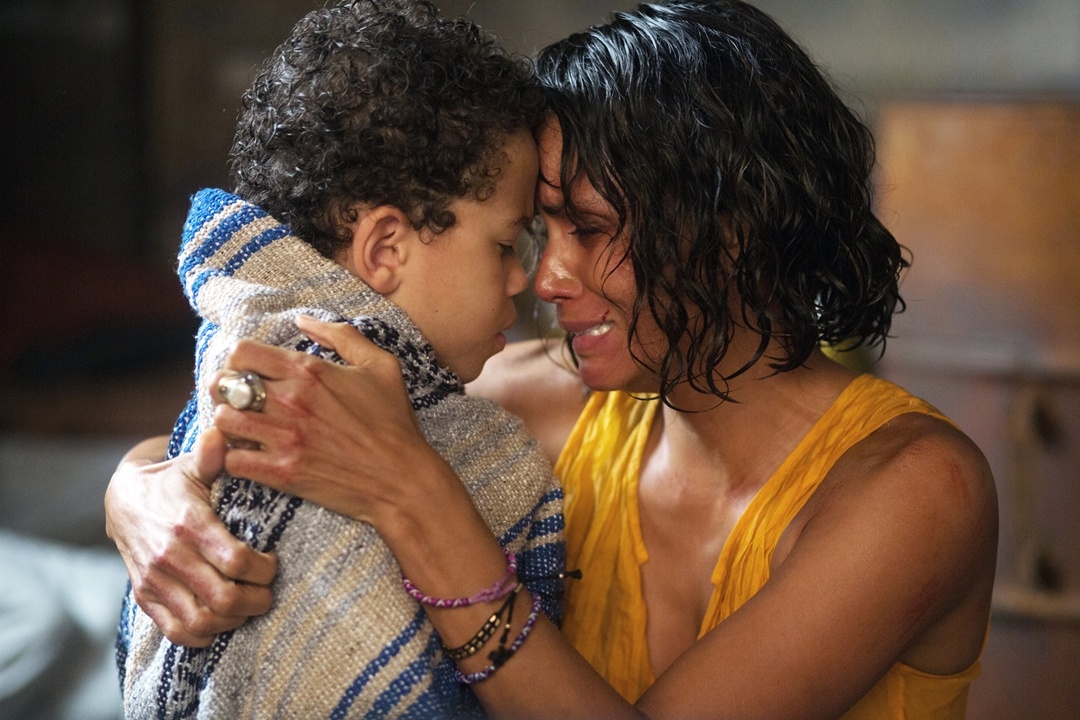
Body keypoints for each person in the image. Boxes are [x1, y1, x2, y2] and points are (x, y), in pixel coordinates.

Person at [105, 1, 999, 718]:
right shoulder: (541, 401)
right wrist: (142, 497)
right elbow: (254, 425)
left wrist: (414, 495)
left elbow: (390, 465)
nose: (547, 278)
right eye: (534, 233)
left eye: (592, 229)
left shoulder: (918, 491)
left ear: (732, 229)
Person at [112, 1, 565, 717]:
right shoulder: (277, 383)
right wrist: (130, 486)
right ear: (385, 249)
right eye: (507, 245)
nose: (529, 280)